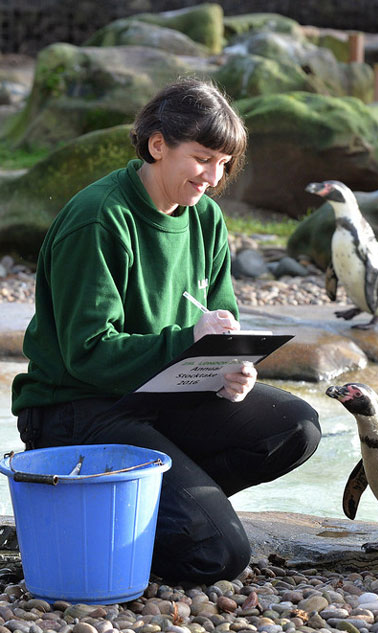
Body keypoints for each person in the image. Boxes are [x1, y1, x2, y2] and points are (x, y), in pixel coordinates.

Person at [11, 78, 321, 584]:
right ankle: (138, 527)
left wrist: (229, 368)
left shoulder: (207, 220)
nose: (213, 177)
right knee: (219, 556)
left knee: (295, 427)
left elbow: (218, 326)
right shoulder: (100, 218)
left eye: (223, 163)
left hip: (161, 394)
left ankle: (173, 509)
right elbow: (86, 353)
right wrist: (187, 341)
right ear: (158, 145)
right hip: (76, 408)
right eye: (202, 158)